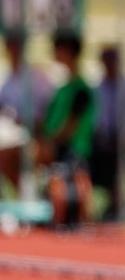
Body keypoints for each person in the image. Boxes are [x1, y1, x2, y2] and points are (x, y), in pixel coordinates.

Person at [37, 31, 96, 226]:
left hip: (73, 148)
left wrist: (49, 143)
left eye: (58, 49)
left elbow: (71, 126)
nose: (54, 54)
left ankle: (63, 211)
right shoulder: (62, 88)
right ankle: (35, 204)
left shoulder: (81, 89)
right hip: (56, 144)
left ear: (69, 53)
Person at [0, 30, 52, 195]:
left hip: (34, 139)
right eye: (10, 45)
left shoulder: (37, 78)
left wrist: (26, 122)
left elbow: (47, 116)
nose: (13, 50)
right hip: (9, 140)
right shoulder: (7, 80)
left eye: (16, 45)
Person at [89, 45, 125, 220]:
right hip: (103, 140)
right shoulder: (99, 89)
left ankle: (117, 203)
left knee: (113, 159)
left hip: (124, 141)